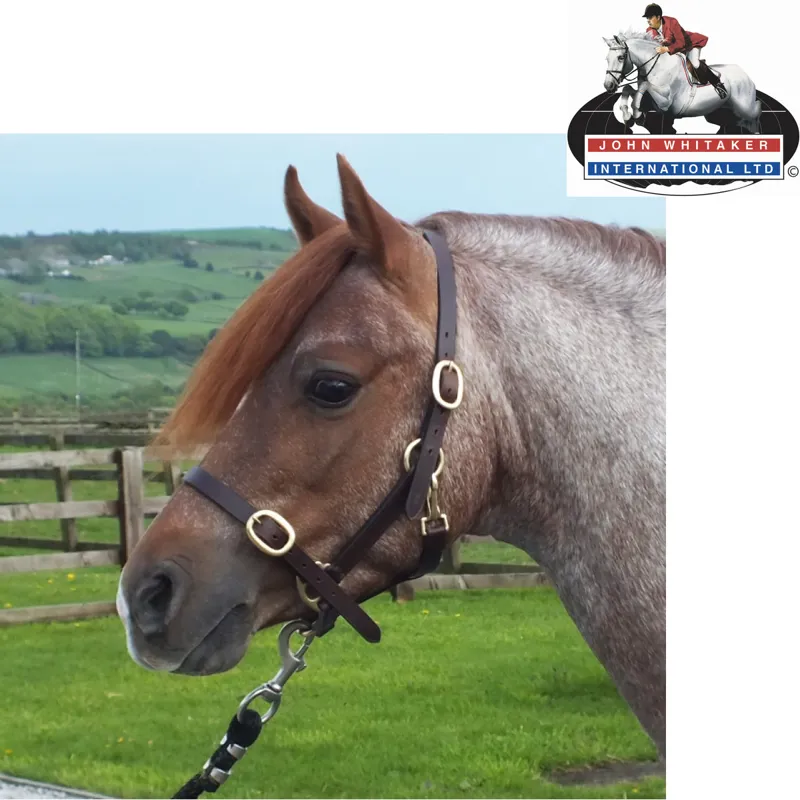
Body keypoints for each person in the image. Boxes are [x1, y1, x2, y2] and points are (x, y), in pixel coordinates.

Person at [642, 4, 727, 98]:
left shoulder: (672, 22)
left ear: (658, 17)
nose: (648, 20)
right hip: (675, 50)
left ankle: (717, 83)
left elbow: (681, 42)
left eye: (650, 17)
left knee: (695, 63)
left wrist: (666, 49)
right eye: (647, 18)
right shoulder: (649, 30)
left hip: (689, 45)